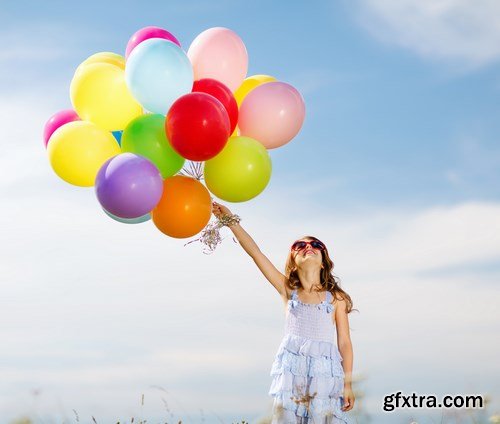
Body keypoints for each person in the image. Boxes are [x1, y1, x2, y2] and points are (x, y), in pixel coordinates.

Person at [212, 201, 355, 423]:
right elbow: (255, 253)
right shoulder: (288, 290)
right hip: (291, 377)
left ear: (324, 262)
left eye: (316, 244)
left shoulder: (336, 298)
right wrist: (230, 221)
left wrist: (347, 384)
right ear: (293, 262)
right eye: (300, 245)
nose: (309, 247)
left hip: (325, 377)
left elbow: (344, 342)